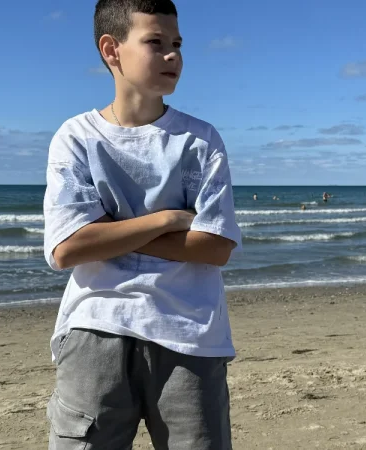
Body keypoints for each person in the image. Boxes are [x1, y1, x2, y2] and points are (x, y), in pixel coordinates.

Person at [42, 1, 241, 449]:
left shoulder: (200, 140)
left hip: (190, 334)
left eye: (177, 44)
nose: (173, 55)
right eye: (155, 42)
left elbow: (215, 248)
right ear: (111, 49)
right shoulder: (77, 137)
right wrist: (168, 219)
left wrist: (108, 233)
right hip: (96, 326)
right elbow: (67, 249)